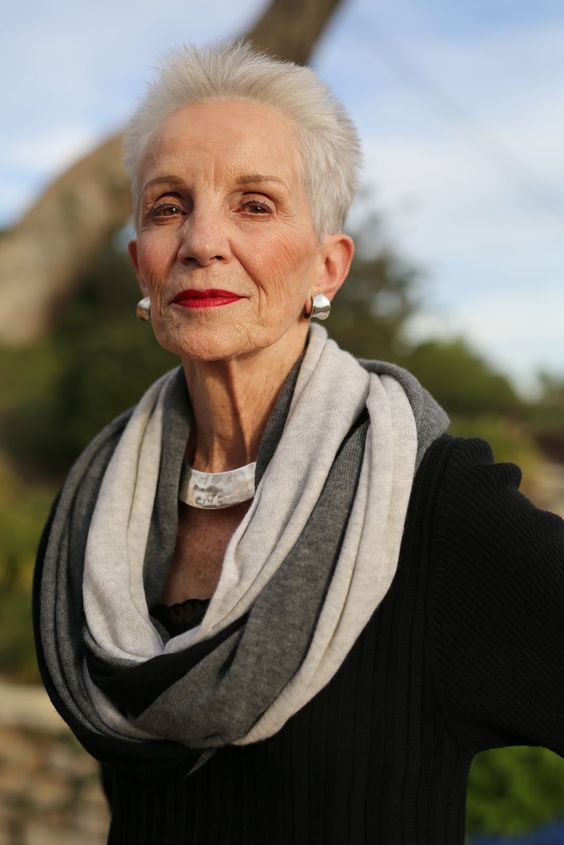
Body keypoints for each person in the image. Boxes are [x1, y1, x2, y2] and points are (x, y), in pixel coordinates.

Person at [34, 41, 564, 845]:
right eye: (168, 206)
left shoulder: (434, 508)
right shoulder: (95, 507)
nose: (201, 241)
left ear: (328, 265)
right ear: (141, 263)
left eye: (254, 204)